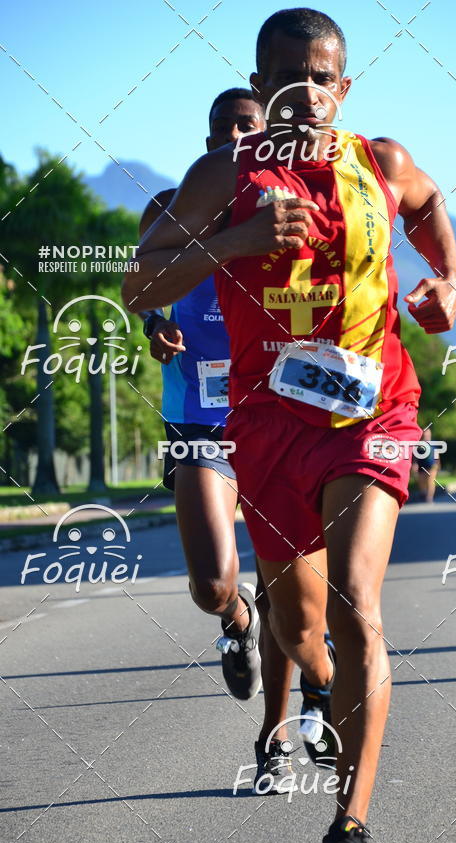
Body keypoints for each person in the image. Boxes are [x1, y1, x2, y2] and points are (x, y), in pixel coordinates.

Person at [123, 9, 456, 843]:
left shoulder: (378, 162)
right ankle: (287, 678)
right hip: (268, 427)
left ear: (343, 88)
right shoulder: (221, 177)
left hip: (372, 411)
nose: (304, 95)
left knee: (355, 608)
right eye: (285, 78)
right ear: (261, 83)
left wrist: (449, 278)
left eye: (321, 78)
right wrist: (232, 242)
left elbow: (426, 205)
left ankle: (350, 826)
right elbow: (137, 284)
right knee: (299, 626)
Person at [139, 88, 295, 794]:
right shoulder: (170, 208)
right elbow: (140, 289)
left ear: (267, 137)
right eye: (218, 129)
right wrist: (154, 330)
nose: (230, 136)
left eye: (245, 126)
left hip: (280, 422)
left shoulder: (291, 214)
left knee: (290, 597)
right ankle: (235, 622)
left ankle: (274, 736)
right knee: (212, 584)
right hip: (201, 422)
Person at [412, 426, 440, 502]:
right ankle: (424, 493)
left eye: (428, 434)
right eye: (425, 434)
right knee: (421, 481)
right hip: (421, 465)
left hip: (431, 465)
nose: (426, 435)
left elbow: (437, 456)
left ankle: (429, 497)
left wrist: (438, 465)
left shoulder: (433, 444)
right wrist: (414, 464)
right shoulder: (418, 445)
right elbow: (415, 455)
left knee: (430, 481)